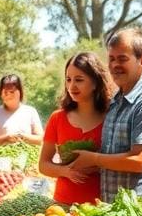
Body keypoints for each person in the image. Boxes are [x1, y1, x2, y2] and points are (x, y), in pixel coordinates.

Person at [69, 28, 142, 201]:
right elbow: (113, 156)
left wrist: (94, 159)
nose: (115, 65)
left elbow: (138, 160)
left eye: (122, 59)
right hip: (113, 207)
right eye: (111, 59)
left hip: (138, 208)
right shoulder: (116, 101)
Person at [38, 52, 110, 205]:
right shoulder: (57, 118)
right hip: (62, 205)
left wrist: (97, 165)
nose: (72, 86)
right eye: (68, 80)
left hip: (101, 206)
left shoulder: (111, 119)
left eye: (79, 80)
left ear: (96, 82)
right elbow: (43, 165)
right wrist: (65, 171)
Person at [0, 74, 44, 145]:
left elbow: (40, 139)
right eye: (5, 92)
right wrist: (6, 138)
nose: (8, 95)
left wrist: (22, 137)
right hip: (1, 155)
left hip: (26, 155)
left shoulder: (30, 112)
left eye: (12, 92)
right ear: (1, 93)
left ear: (20, 92)